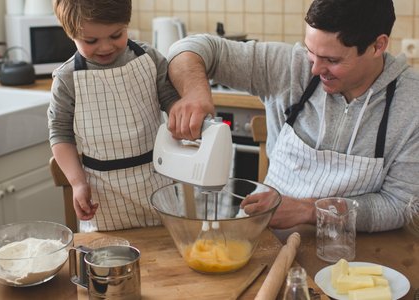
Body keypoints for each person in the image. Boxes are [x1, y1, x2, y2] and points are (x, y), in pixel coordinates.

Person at [166, 0, 419, 233]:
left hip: (357, 253)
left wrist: (311, 210)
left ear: (378, 45)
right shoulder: (288, 66)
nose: (316, 69)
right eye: (312, 52)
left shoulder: (412, 103)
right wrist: (194, 93)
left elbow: (399, 205)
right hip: (267, 241)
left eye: (332, 59)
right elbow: (191, 48)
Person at [48, 0, 178, 232]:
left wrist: (182, 114)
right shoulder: (67, 79)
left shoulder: (149, 59)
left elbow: (171, 99)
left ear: (126, 24)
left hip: (156, 180)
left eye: (116, 35)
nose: (106, 47)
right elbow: (60, 134)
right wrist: (77, 183)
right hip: (102, 194)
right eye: (91, 41)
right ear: (71, 34)